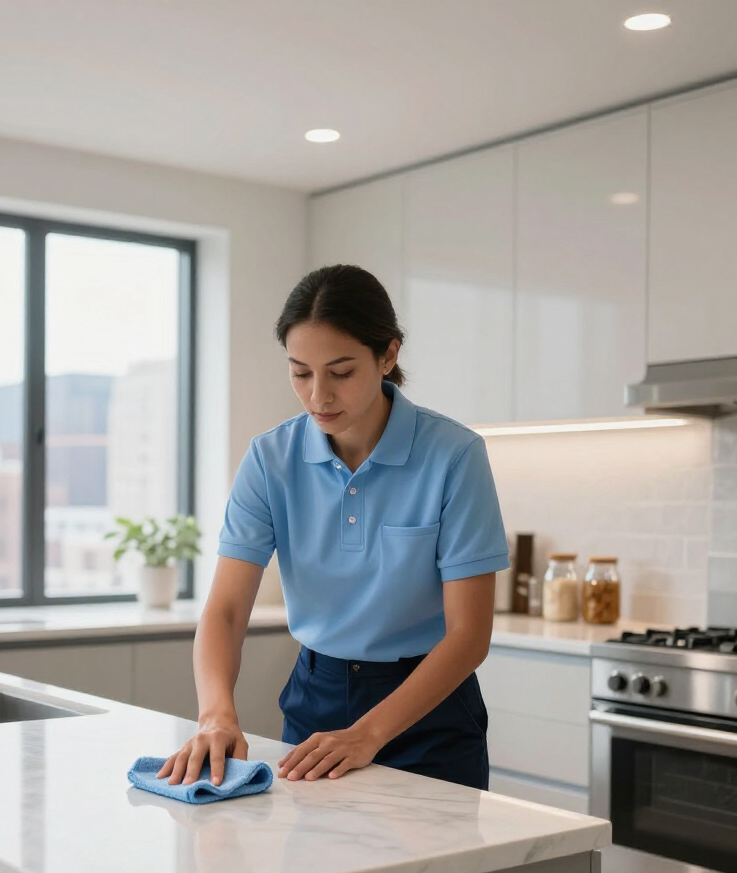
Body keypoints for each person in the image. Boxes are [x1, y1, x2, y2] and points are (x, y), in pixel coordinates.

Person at [158, 264, 509, 791]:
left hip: (428, 711)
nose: (318, 395)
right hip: (315, 700)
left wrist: (367, 734)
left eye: (341, 372)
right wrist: (216, 715)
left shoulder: (454, 456)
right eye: (301, 372)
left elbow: (468, 635)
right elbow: (227, 611)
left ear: (388, 355)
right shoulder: (270, 458)